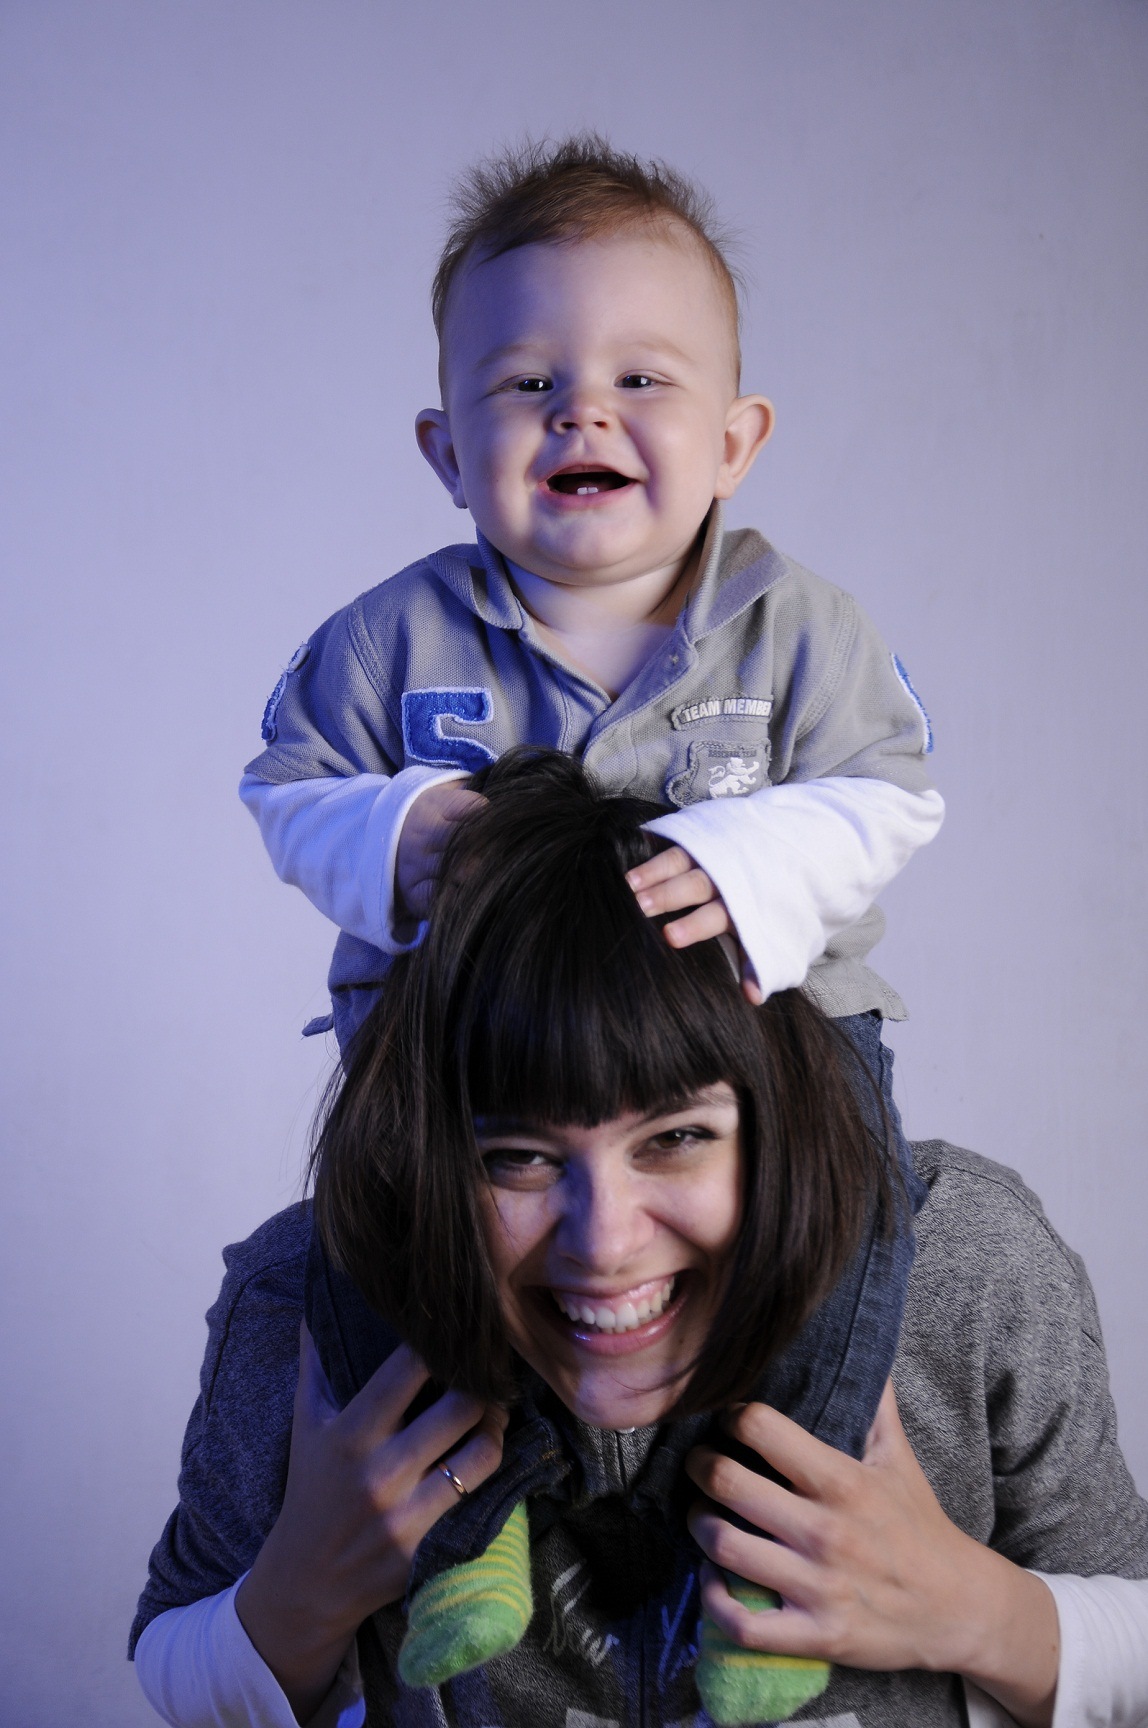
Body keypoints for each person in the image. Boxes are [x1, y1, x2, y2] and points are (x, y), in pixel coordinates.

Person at [238, 137, 942, 1700]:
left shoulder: (795, 626)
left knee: (861, 1226)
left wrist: (752, 862)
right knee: (354, 1243)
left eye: (642, 378)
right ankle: (470, 1527)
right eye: (528, 384)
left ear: (737, 439)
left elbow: (892, 795)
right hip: (461, 1056)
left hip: (766, 1041)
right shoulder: (392, 635)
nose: (583, 413)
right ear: (447, 447)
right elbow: (285, 783)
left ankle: (771, 1551)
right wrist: (396, 832)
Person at [133, 753, 1148, 1728]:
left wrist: (980, 1613)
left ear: (777, 1107)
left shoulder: (969, 1265)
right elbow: (172, 1654)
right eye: (517, 1158)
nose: (606, 1243)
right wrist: (301, 1591)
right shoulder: (303, 1301)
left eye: (676, 1139)